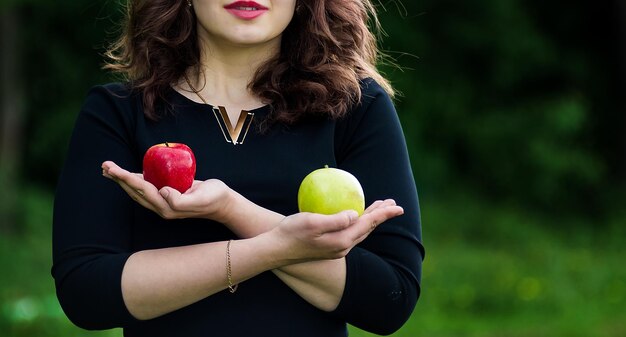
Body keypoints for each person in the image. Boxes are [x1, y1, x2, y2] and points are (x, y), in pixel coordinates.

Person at [51, 0, 425, 336]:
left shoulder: (356, 108)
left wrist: (230, 208)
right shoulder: (116, 112)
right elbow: (86, 293)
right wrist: (273, 249)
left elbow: (390, 299)